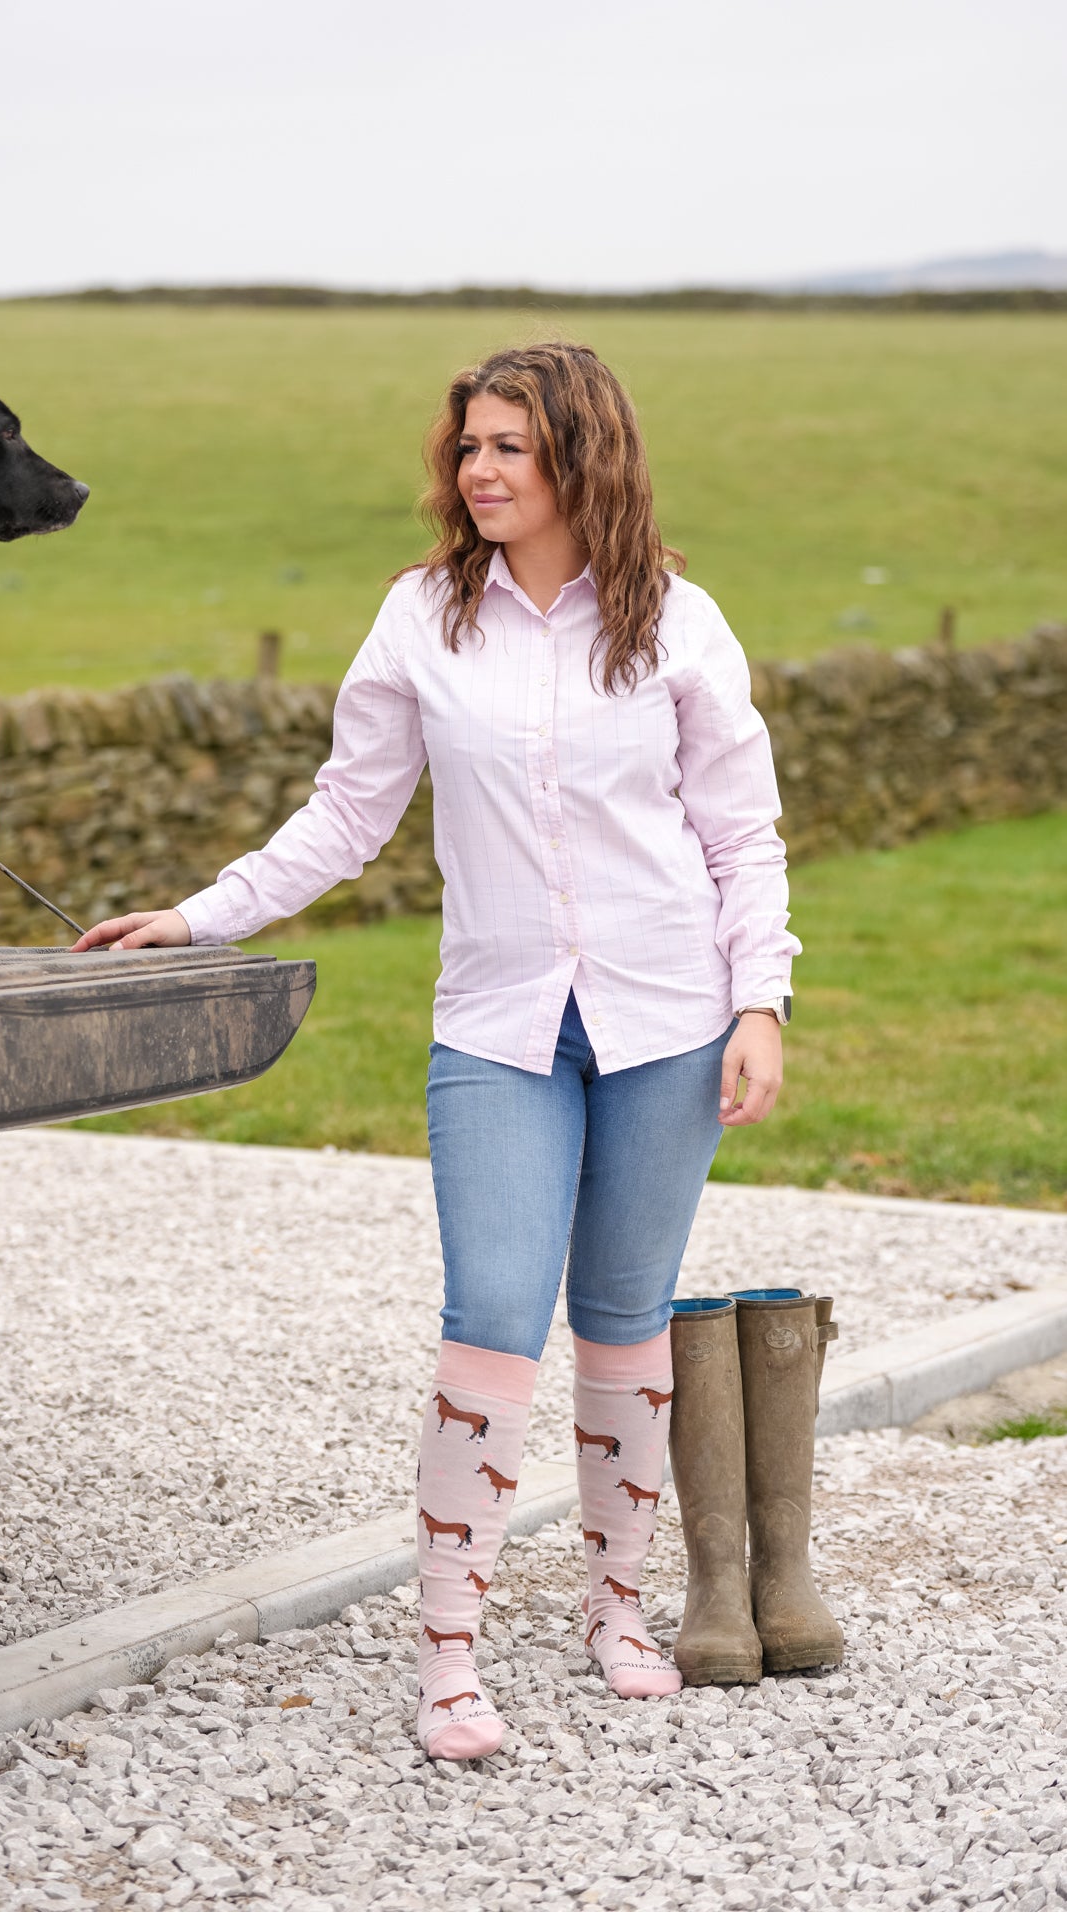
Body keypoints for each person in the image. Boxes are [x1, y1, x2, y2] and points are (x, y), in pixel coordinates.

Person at [73, 342, 799, 1762]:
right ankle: (450, 1652)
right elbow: (347, 813)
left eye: (508, 449)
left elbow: (737, 834)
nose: (476, 471)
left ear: (582, 458)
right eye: (468, 446)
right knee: (489, 1316)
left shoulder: (677, 623)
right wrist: (203, 914)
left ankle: (614, 1610)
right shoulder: (420, 618)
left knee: (623, 1321)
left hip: (667, 1017)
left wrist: (758, 1002)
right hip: (498, 1027)